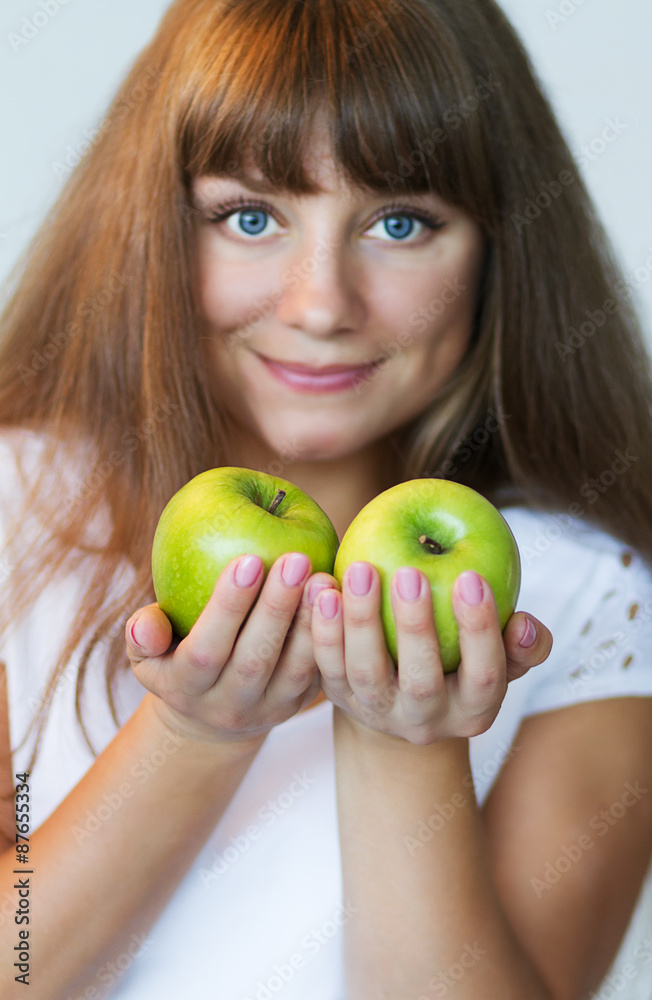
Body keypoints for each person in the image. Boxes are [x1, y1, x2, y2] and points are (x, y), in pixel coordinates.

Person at [0, 0, 651, 996]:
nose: (318, 303)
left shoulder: (591, 595)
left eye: (399, 223)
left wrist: (406, 739)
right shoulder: (16, 511)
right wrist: (195, 732)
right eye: (249, 217)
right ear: (156, 230)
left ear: (496, 251)